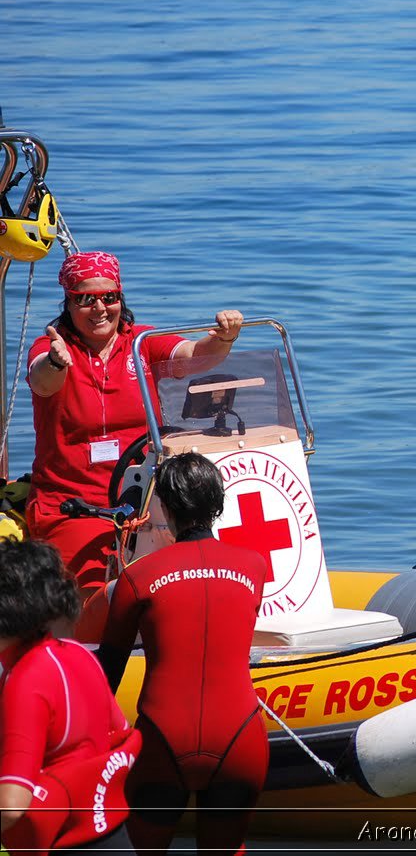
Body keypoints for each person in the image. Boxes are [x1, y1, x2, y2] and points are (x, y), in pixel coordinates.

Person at [26, 250, 244, 594]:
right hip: (74, 503)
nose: (99, 308)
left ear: (119, 298)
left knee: (188, 574)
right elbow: (42, 382)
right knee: (91, 595)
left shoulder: (142, 342)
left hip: (147, 500)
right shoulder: (51, 345)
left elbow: (194, 356)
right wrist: (55, 362)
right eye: (85, 299)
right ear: (68, 303)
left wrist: (224, 338)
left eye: (108, 297)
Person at [97, 453, 269, 856]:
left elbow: (107, 676)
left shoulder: (137, 578)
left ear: (166, 508)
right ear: (218, 504)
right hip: (240, 738)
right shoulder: (254, 567)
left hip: (162, 739)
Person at [0, 539, 140, 852]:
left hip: (66, 841)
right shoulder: (79, 655)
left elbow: (12, 803)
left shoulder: (26, 677)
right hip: (113, 836)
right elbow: (121, 731)